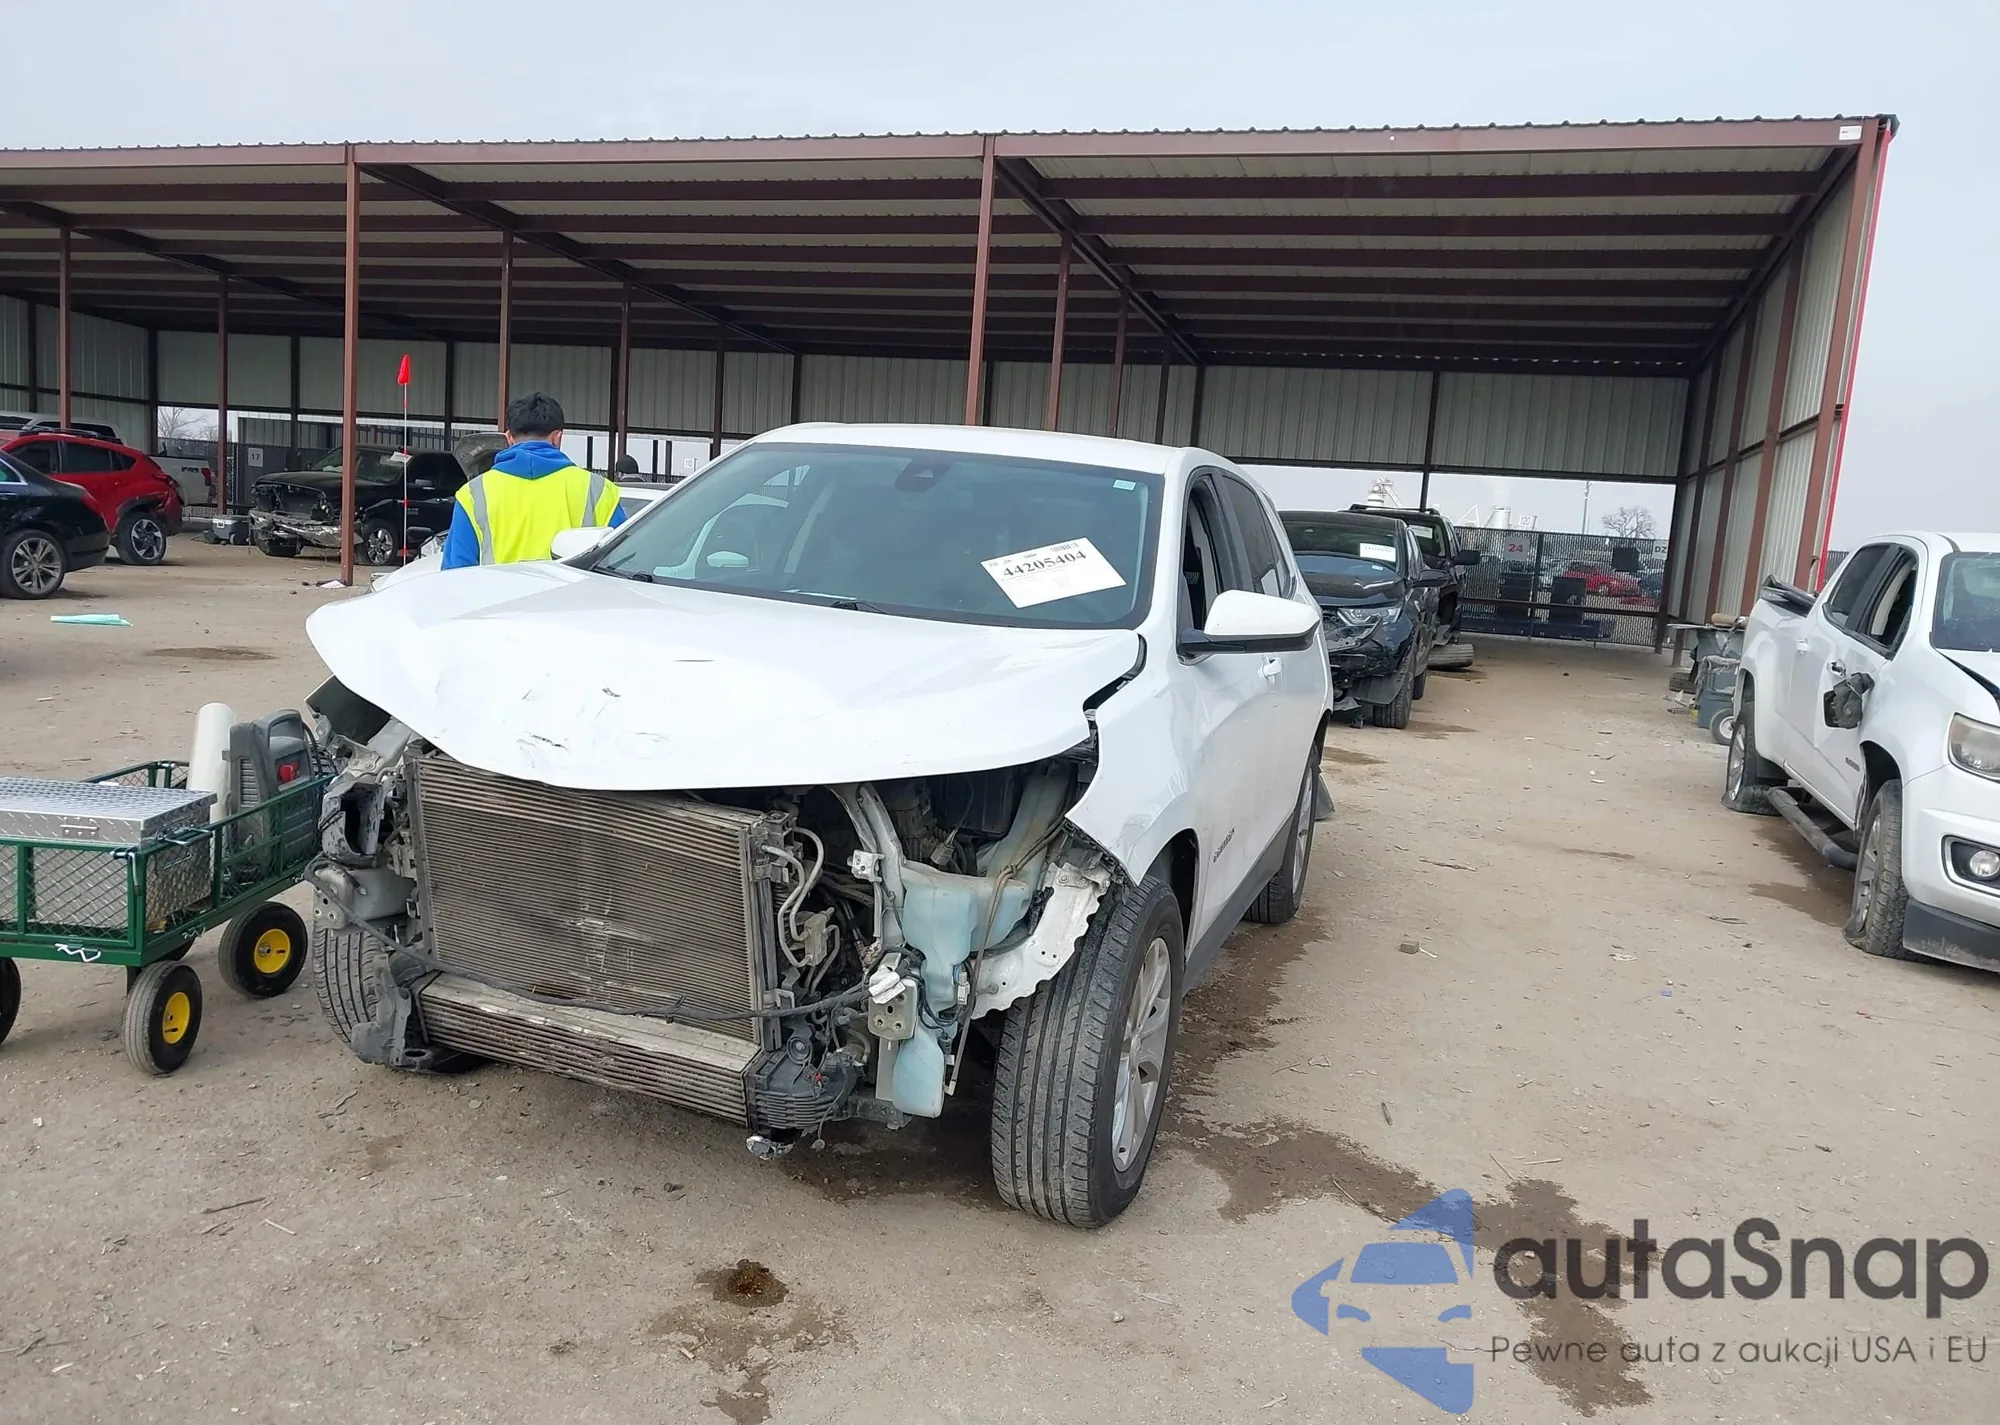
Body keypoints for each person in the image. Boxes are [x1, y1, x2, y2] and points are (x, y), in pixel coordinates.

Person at [441, 392, 624, 569]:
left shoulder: (473, 493)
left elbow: (456, 571)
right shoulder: (599, 489)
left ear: (509, 438)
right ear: (557, 437)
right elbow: (620, 563)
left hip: (498, 591)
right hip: (575, 591)